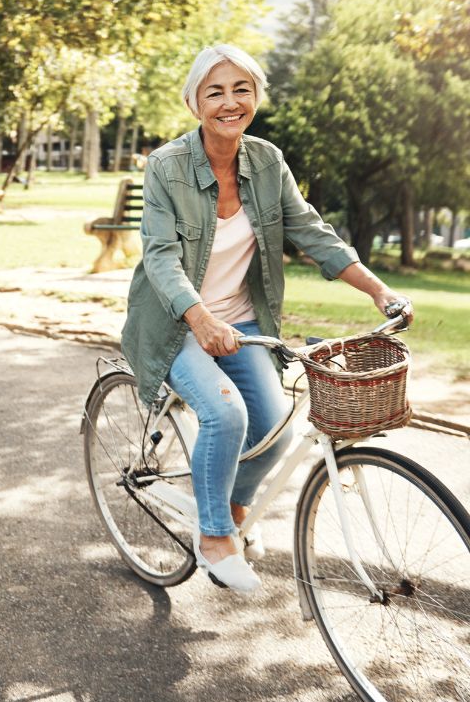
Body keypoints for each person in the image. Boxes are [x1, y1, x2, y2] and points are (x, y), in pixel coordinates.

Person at [121, 44, 413, 594]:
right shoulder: (166, 166)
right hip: (175, 324)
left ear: (255, 97)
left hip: (244, 323)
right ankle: (211, 540)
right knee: (225, 416)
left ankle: (229, 513)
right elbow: (160, 256)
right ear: (194, 103)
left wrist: (379, 291)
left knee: (277, 430)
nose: (230, 103)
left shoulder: (266, 160)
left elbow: (309, 230)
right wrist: (201, 319)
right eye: (215, 92)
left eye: (241, 90)